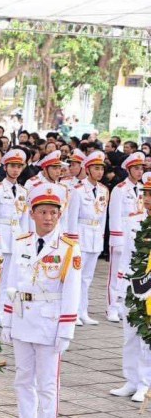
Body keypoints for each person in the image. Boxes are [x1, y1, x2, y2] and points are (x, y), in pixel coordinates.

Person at [0, 183, 80, 418]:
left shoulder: (68, 248)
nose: (48, 218)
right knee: (23, 379)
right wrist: (6, 321)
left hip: (49, 321)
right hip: (22, 318)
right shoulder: (22, 243)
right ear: (32, 214)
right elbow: (10, 283)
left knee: (47, 384)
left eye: (53, 213)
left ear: (59, 215)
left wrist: (66, 329)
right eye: (42, 212)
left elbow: (71, 290)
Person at [109, 172, 151, 403]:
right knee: (130, 334)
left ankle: (145, 383)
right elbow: (125, 256)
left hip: (150, 286)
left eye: (150, 194)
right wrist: (119, 286)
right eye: (145, 193)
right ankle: (131, 380)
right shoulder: (134, 219)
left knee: (147, 336)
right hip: (132, 283)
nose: (147, 198)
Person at [65, 151, 109, 325]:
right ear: (88, 169)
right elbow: (72, 217)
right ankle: (72, 311)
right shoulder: (78, 190)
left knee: (88, 277)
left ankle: (83, 311)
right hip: (81, 235)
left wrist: (101, 236)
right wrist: (72, 240)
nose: (99, 172)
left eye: (101, 169)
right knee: (76, 276)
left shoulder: (104, 190)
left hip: (95, 235)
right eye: (96, 168)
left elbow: (103, 216)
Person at [107, 152, 145, 322]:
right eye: (136, 168)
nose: (139, 172)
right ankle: (112, 308)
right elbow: (114, 215)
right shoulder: (120, 189)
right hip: (122, 235)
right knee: (117, 274)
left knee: (131, 272)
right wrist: (117, 239)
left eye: (141, 168)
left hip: (137, 237)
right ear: (128, 169)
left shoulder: (143, 189)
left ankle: (124, 306)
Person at [0, 148, 29, 261]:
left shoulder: (23, 191)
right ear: (5, 167)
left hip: (17, 239)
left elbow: (24, 220)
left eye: (19, 167)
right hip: (1, 239)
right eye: (12, 166)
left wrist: (25, 242)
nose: (16, 170)